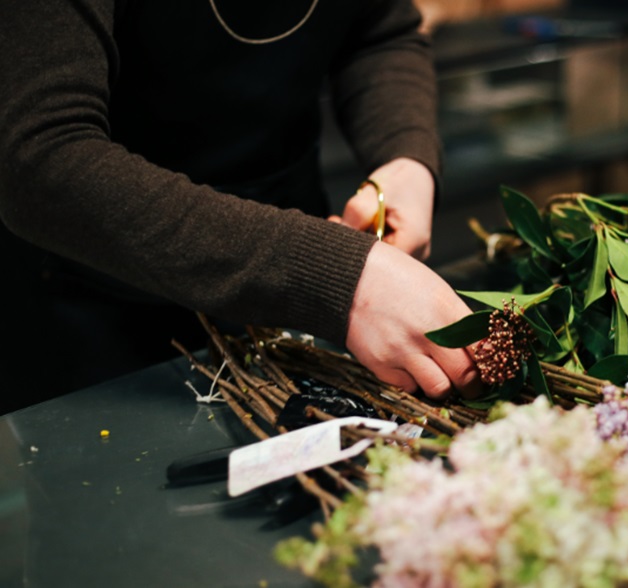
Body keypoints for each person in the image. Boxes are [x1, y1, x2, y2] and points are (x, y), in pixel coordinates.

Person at [0, 0, 483, 413]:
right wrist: (340, 279)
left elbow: (381, 33)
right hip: (98, 310)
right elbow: (38, 157)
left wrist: (406, 155)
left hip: (296, 301)